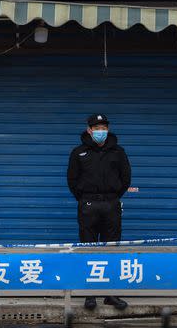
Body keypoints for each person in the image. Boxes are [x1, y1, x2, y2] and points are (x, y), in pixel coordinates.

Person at [67, 114, 131, 311]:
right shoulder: (78, 152)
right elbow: (72, 180)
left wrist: (112, 196)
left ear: (108, 129)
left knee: (111, 249)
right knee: (88, 248)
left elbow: (126, 178)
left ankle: (111, 294)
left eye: (103, 127)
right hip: (88, 204)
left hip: (111, 203)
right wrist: (85, 198)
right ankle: (90, 295)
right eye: (96, 128)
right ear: (89, 130)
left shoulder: (118, 152)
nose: (100, 131)